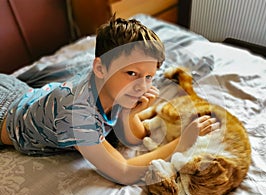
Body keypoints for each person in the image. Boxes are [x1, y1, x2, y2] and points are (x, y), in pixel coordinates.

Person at [0, 16, 219, 185]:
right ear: (99, 68)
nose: (142, 86)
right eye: (132, 73)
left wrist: (130, 113)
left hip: (24, 93)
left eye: (148, 76)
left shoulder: (113, 88)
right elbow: (123, 172)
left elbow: (136, 138)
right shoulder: (77, 115)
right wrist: (182, 143)